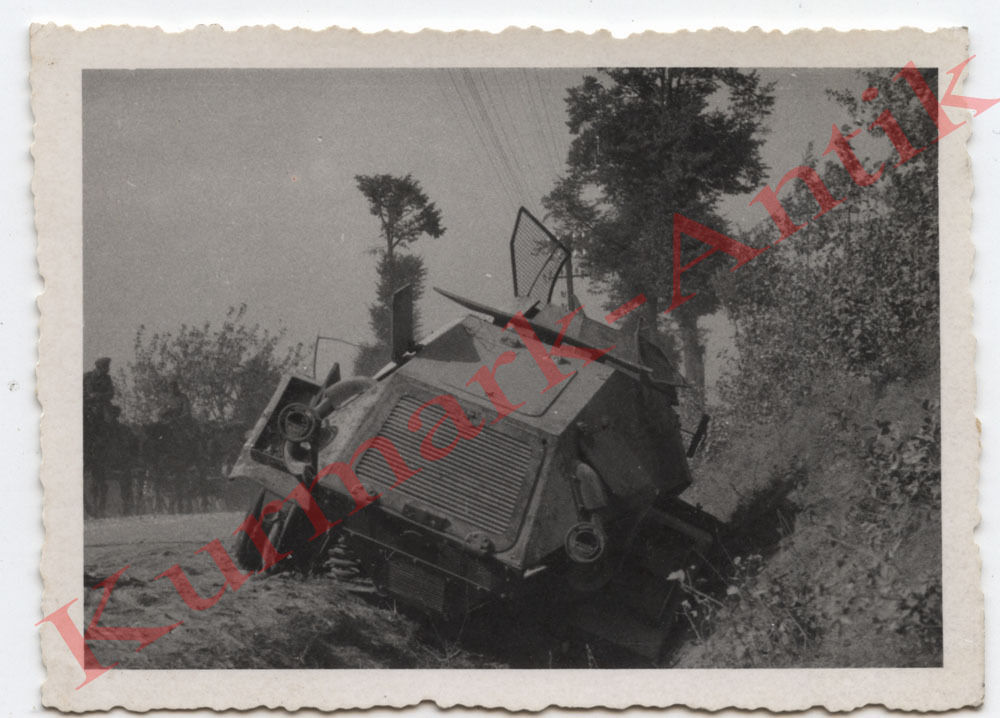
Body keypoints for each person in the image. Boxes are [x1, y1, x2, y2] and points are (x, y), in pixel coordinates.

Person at [83, 357, 116, 424]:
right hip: (87, 403)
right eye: (106, 367)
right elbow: (88, 392)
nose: (108, 369)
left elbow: (111, 393)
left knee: (110, 419)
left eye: (107, 367)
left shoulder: (107, 378)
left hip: (102, 403)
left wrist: (99, 395)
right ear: (99, 368)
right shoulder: (87, 376)